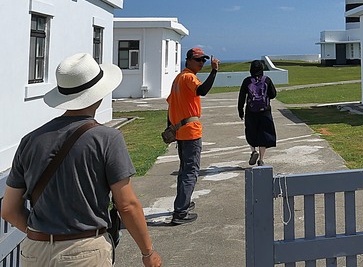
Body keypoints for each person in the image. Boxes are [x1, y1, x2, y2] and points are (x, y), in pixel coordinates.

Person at [0, 53, 162, 267]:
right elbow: (127, 205)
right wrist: (147, 252)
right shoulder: (107, 139)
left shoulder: (30, 140)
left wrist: (41, 236)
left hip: (34, 251)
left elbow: (9, 210)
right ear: (99, 94)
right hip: (84, 250)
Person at [166, 47, 219, 225]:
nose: (201, 63)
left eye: (203, 60)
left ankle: (183, 203)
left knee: (184, 170)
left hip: (181, 132)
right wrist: (214, 71)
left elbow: (170, 105)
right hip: (190, 132)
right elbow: (202, 90)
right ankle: (180, 212)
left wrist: (171, 129)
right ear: (188, 60)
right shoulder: (189, 77)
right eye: (198, 60)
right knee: (190, 171)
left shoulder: (178, 79)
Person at [237, 59, 277, 166]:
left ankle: (253, 151)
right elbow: (273, 94)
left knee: (251, 132)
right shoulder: (267, 80)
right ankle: (261, 159)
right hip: (265, 111)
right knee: (264, 134)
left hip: (251, 111)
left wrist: (240, 110)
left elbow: (241, 97)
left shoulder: (247, 81)